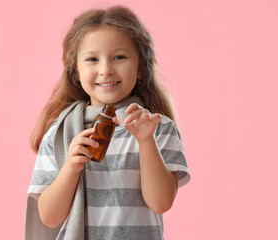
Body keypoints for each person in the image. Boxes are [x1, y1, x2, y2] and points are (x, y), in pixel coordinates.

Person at [26, 5, 190, 240]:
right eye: (92, 59)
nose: (106, 70)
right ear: (76, 71)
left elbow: (161, 203)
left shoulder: (157, 127)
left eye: (119, 57)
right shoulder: (60, 134)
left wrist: (146, 141)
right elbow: (50, 217)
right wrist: (71, 167)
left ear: (141, 68)